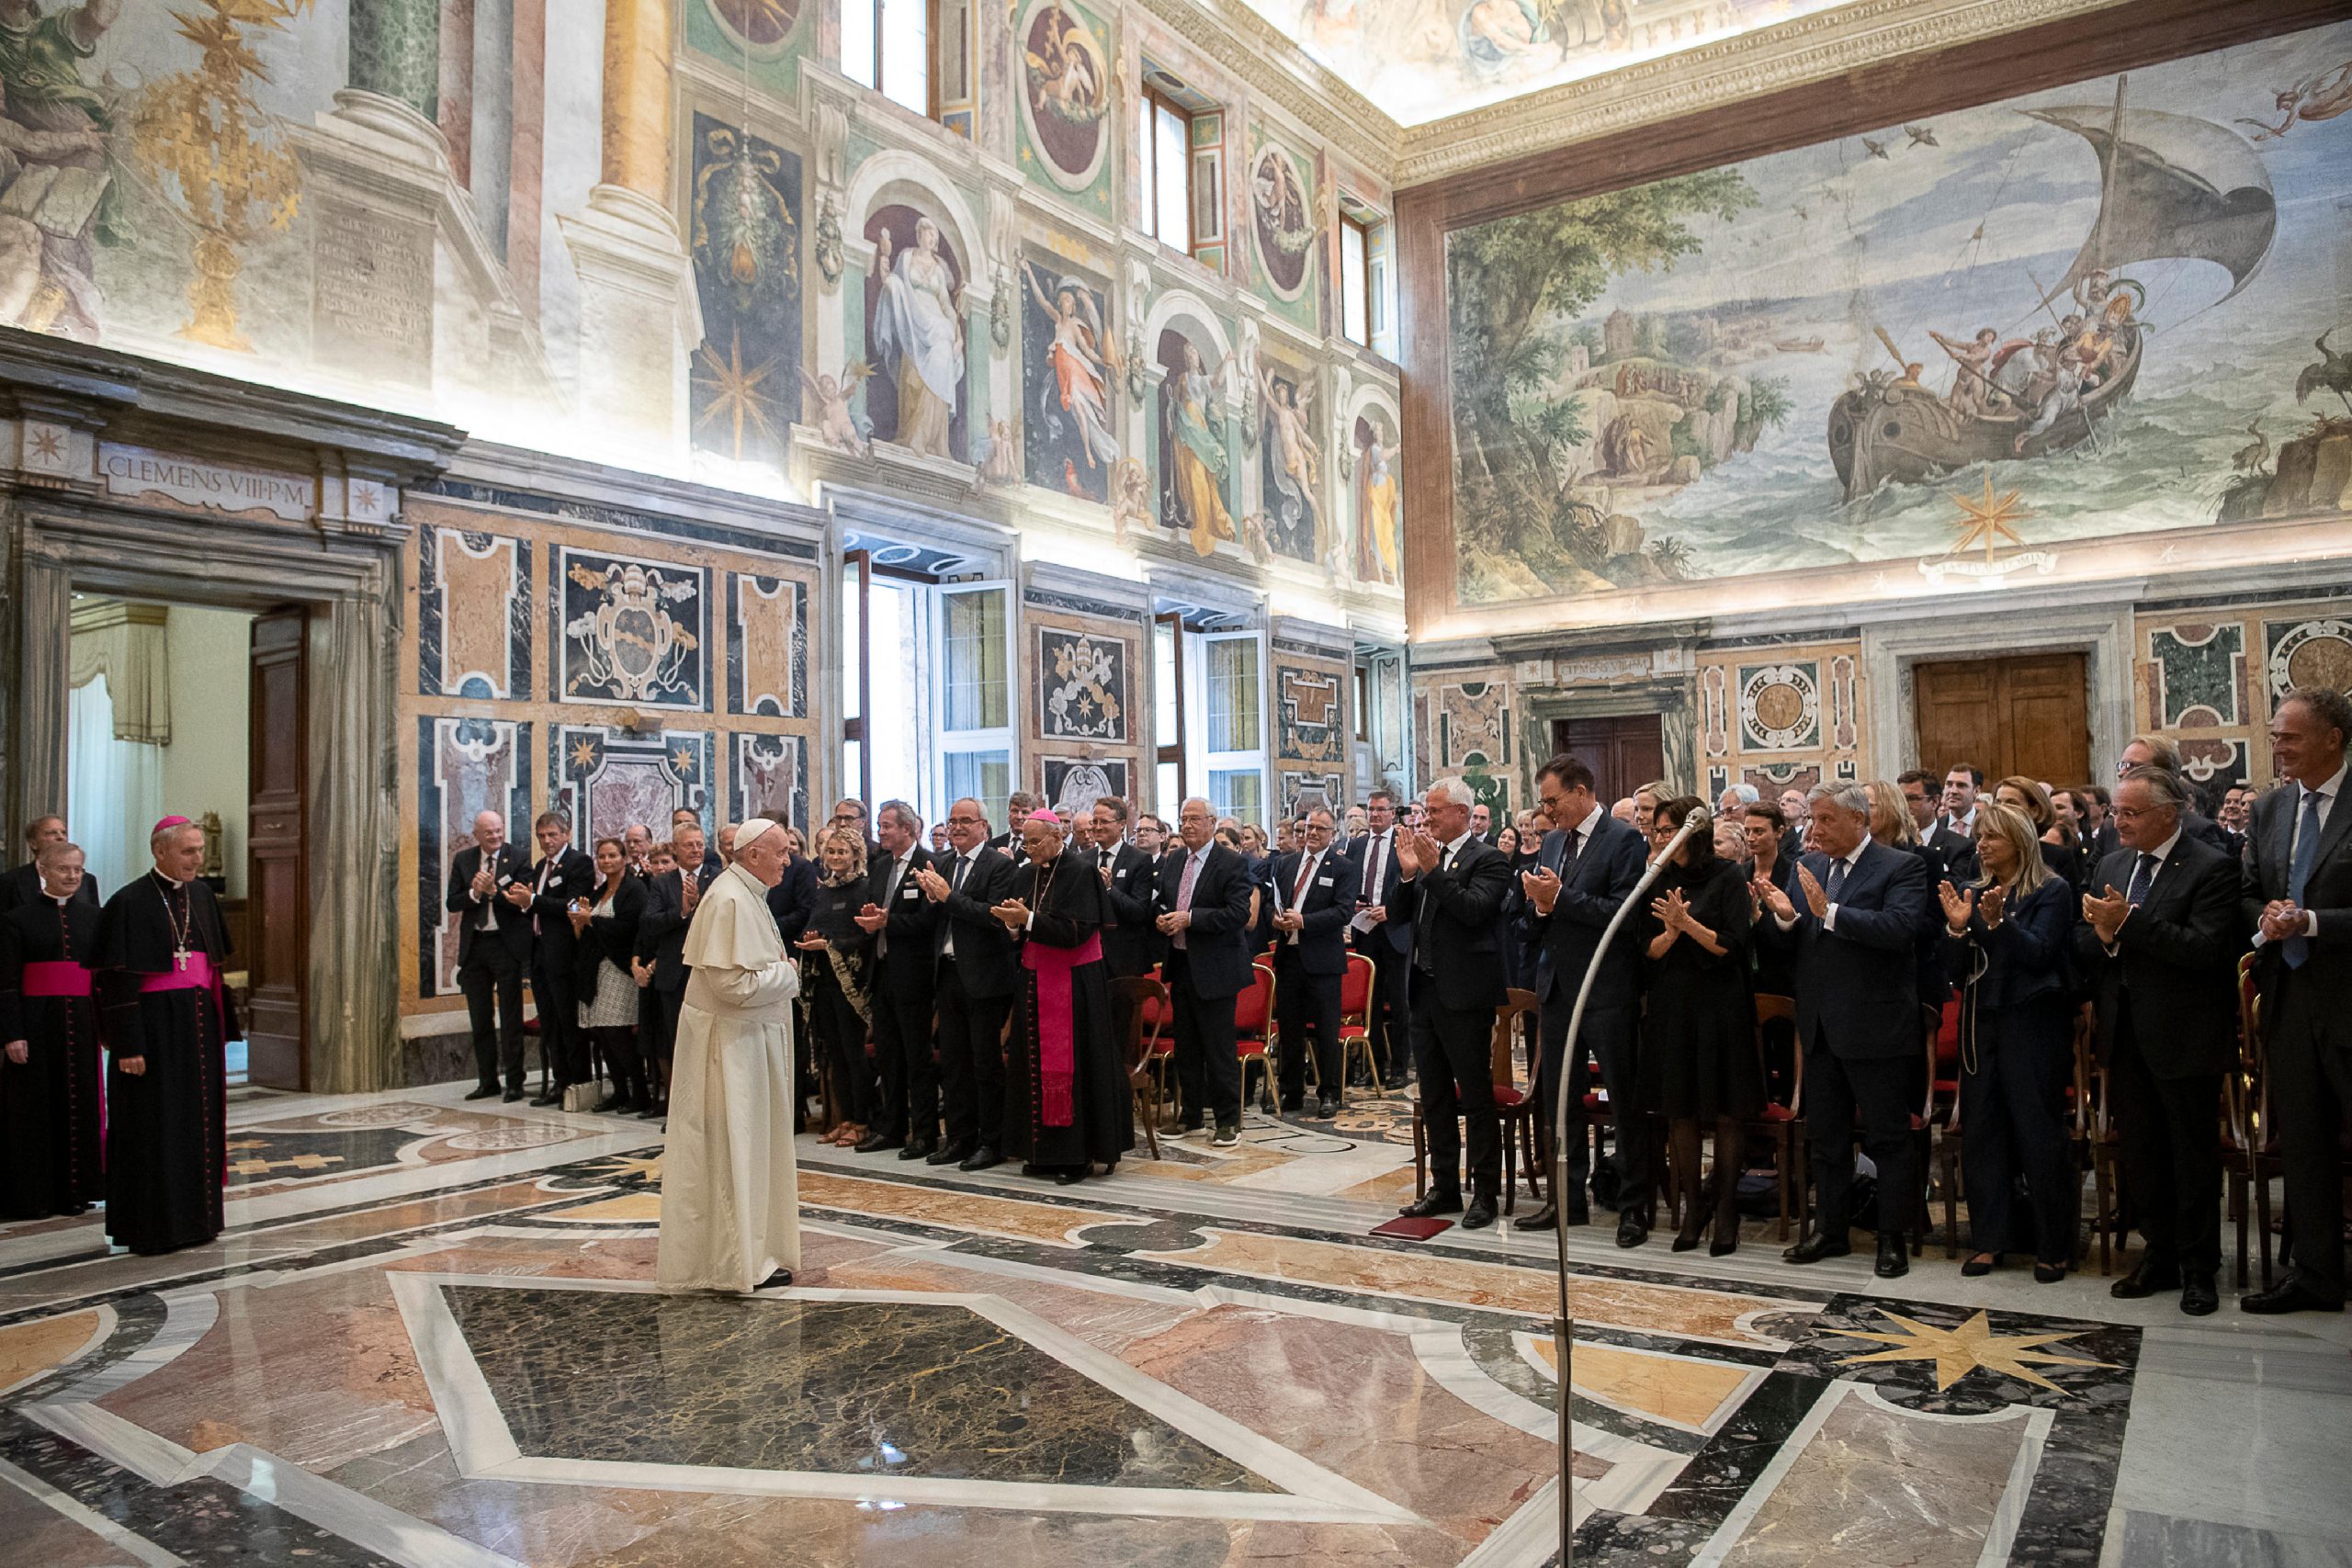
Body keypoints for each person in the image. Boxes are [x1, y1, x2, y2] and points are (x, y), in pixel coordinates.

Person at [2076, 765, 2241, 1317]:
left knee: (2190, 1155)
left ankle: (2199, 1267)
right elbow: (2089, 938)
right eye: (2115, 812)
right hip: (2124, 1033)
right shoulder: (2112, 863)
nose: (2117, 822)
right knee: (2142, 1153)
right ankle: (2159, 1254)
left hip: (2185, 1034)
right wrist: (2104, 937)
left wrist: (2128, 925)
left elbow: (2207, 951)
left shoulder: (2211, 868)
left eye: (2130, 813)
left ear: (2168, 814)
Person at [1757, 782, 1931, 1279]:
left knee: (1887, 1137)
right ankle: (1830, 1229)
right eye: (1813, 820)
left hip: (1875, 1024)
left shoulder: (1901, 867)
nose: (1816, 830)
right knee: (1826, 1138)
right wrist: (1784, 919)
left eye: (1827, 820)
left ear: (1860, 821)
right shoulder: (1807, 867)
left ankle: (1891, 1238)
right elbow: (1787, 945)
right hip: (1818, 1025)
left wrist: (1827, 913)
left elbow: (1899, 930)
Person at [2239, 688, 2351, 1315]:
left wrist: (2311, 921)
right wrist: (2271, 918)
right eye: (2276, 735)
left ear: (2332, 737)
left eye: (2289, 736)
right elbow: (2249, 890)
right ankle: (2314, 1275)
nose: (2277, 746)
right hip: (2288, 995)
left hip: (2346, 995)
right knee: (2304, 1143)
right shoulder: (2273, 808)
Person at [658, 818, 802, 1293]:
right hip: (730, 1053)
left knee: (752, 1152)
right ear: (754, 854)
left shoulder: (747, 893)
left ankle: (756, 1253)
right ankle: (734, 1261)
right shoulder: (729, 898)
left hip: (747, 1046)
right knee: (732, 1153)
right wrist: (789, 976)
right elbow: (732, 985)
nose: (788, 860)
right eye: (782, 852)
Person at [1939, 803, 2077, 1283]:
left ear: (2019, 841)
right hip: (1982, 1023)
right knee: (1983, 1132)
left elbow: (2039, 956)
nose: (1981, 845)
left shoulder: (2051, 891)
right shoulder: (1971, 891)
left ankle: (2053, 1245)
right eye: (1979, 837)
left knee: (2038, 1134)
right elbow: (1955, 971)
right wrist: (1958, 928)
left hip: (2032, 1024)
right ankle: (1989, 1239)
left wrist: (1999, 924)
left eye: (1992, 837)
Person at [91, 817, 234, 1257]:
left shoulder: (204, 896)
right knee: (154, 1123)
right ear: (160, 851)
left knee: (198, 1120)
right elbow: (114, 981)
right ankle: (153, 1226)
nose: (198, 859)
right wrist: (128, 1044)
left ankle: (199, 1220)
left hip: (196, 1024)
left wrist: (224, 1025)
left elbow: (212, 969)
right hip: (152, 1027)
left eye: (199, 851)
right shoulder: (129, 901)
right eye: (188, 851)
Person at [1518, 754, 1646, 1237]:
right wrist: (1538, 906)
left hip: (1607, 988)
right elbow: (1544, 914)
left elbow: (1623, 914)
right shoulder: (1553, 841)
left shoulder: (1623, 839)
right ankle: (1565, 1201)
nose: (1549, 812)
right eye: (1545, 803)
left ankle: (1633, 1205)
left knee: (1623, 1101)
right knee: (1561, 1101)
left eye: (1554, 801)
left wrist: (1559, 900)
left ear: (1581, 792)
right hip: (1557, 987)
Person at [1636, 798, 1758, 1257]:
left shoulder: (1728, 876)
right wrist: (1669, 935)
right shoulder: (1656, 879)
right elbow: (1643, 951)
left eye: (1671, 830)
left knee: (1726, 1112)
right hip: (1673, 1006)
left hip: (1721, 1006)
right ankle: (1693, 1205)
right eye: (1658, 830)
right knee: (1679, 1111)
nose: (1662, 838)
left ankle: (1726, 1208)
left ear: (1695, 834)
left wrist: (1687, 924)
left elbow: (1733, 945)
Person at [1394, 778, 1516, 1231]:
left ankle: (1484, 1190)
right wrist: (1409, 874)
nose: (1427, 818)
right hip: (1423, 992)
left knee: (1476, 1095)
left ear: (1463, 814)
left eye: (1436, 810)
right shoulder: (1428, 860)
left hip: (1464, 996)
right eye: (1426, 810)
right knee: (1435, 1094)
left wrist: (1432, 871)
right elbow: (1398, 912)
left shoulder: (1491, 860)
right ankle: (1444, 1185)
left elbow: (1473, 911)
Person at [995, 810, 1131, 1182]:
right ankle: (1041, 1151)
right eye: (1025, 842)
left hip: (1075, 985)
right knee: (1033, 1064)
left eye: (1035, 842)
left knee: (1078, 1067)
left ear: (1058, 836)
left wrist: (1028, 920)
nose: (1029, 849)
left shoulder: (1080, 871)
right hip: (1034, 981)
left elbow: (1076, 932)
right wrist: (1012, 927)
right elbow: (1021, 933)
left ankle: (1078, 1156)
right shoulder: (1026, 873)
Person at [0, 840, 102, 1218]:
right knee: (35, 1109)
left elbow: (102, 977)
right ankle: (35, 1195)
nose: (73, 876)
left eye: (78, 869)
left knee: (81, 1102)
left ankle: (80, 1189)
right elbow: (6, 983)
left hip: (82, 1019)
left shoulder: (95, 917)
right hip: (35, 1023)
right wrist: (12, 1033)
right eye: (64, 869)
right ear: (42, 870)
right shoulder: (17, 919)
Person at [916, 798, 1017, 1171]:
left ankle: (992, 1141)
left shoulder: (1000, 866)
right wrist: (931, 898)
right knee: (954, 1063)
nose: (957, 827)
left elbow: (992, 917)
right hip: (948, 973)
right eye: (952, 821)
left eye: (965, 821)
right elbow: (935, 916)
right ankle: (959, 1137)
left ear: (982, 827)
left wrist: (947, 896)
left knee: (985, 1063)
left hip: (986, 978)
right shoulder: (943, 864)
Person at [1155, 796, 1256, 1145]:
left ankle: (1228, 1122)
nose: (1187, 826)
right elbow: (1166, 900)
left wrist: (1192, 918)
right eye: (1183, 819)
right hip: (1182, 964)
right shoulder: (1174, 860)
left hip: (1216, 968)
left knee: (1219, 1049)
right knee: (1187, 1047)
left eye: (1195, 819)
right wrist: (1163, 916)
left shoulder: (1230, 863)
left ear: (1212, 823)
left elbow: (1238, 914)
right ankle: (1191, 1116)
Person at [854, 801, 938, 1157]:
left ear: (909, 829)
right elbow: (876, 910)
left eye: (888, 825)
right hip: (883, 971)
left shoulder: (930, 864)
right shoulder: (880, 865)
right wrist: (873, 918)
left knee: (916, 1057)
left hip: (915, 975)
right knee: (888, 1055)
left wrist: (890, 922)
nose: (881, 831)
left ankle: (925, 1133)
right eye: (879, 825)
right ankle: (891, 1128)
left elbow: (930, 922)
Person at [1269, 807, 1358, 1119]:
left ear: (1333, 834)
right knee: (1290, 1029)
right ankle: (1290, 1090)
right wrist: (1276, 919)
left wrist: (1304, 920)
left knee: (1325, 1031)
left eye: (1321, 828)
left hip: (1323, 962)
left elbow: (1343, 911)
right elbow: (1273, 902)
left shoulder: (1343, 867)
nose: (1313, 833)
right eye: (1309, 827)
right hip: (1289, 958)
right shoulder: (1285, 863)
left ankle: (1330, 1093)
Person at [797, 825, 877, 1150]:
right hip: (824, 979)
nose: (835, 857)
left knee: (854, 1052)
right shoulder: (824, 889)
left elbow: (864, 935)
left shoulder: (864, 888)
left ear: (856, 855)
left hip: (853, 986)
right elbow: (815, 923)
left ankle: (862, 1120)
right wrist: (810, 938)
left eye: (842, 852)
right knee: (835, 1053)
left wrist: (831, 944)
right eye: (831, 852)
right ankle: (844, 1118)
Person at [447, 809, 534, 1101]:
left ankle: (515, 1081)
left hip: (506, 945)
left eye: (499, 830)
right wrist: (474, 893)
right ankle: (487, 1081)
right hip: (475, 947)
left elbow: (524, 904)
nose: (495, 836)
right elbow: (452, 902)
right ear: (476, 835)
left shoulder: (519, 857)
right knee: (480, 1016)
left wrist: (494, 891)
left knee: (511, 1015)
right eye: (489, 833)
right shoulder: (464, 860)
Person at [636, 824, 714, 1121]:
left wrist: (698, 907)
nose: (695, 849)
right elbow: (650, 922)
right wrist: (682, 911)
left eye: (699, 844)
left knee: (706, 1046)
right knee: (677, 1044)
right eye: (689, 845)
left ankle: (708, 1112)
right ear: (676, 849)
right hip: (673, 974)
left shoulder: (716, 878)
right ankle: (682, 1114)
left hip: (707, 970)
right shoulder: (663, 883)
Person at [517, 810, 594, 1106]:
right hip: (539, 953)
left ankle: (578, 1083)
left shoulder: (579, 863)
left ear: (566, 834)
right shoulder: (540, 867)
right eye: (541, 836)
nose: (547, 841)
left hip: (565, 955)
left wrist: (534, 901)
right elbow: (537, 906)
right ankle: (559, 1082)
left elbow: (573, 905)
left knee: (567, 1021)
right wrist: (524, 903)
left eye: (552, 835)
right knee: (548, 1021)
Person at [572, 836, 650, 1114]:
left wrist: (591, 919)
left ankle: (640, 1093)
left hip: (621, 969)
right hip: (597, 971)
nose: (606, 861)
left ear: (624, 858)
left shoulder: (634, 890)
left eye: (612, 856)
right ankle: (618, 1091)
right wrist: (580, 923)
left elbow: (629, 927)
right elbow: (586, 932)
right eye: (602, 857)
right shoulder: (598, 892)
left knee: (618, 1034)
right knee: (604, 1035)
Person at [1349, 788, 1414, 1088]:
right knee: (1370, 1003)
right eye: (1371, 809)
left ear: (1392, 813)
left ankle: (1400, 1067)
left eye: (1380, 810)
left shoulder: (1404, 843)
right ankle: (1372, 1065)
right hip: (1365, 931)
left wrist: (1393, 910)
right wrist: (1353, 904)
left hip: (1395, 930)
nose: (1374, 815)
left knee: (1399, 1003)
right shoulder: (1356, 846)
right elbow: (1349, 883)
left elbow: (1415, 886)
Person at [2116, 735, 2232, 852]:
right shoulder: (2111, 829)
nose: (2121, 773)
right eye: (2121, 765)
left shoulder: (2200, 831)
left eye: (2134, 766)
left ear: (2166, 774)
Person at [1993, 775, 2083, 890]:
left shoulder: (2058, 857)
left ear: (2034, 810)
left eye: (2012, 803)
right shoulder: (1983, 858)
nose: (2002, 809)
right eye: (1997, 803)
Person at [0, 816, 97, 915]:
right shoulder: (10, 881)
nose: (61, 837)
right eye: (51, 833)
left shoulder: (87, 880)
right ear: (33, 843)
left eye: (64, 833)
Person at [989, 792, 1040, 863]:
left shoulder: (1039, 846)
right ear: (1008, 812)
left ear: (1034, 815)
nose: (1019, 817)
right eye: (1015, 811)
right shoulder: (993, 845)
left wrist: (1010, 863)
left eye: (1025, 812)